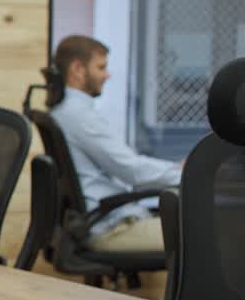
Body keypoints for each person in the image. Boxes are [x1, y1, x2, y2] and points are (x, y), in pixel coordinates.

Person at [50, 35, 181, 253]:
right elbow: (131, 170)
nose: (107, 74)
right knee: (205, 236)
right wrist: (187, 174)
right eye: (101, 67)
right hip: (110, 227)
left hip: (101, 220)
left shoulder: (64, 112)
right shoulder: (79, 116)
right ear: (78, 69)